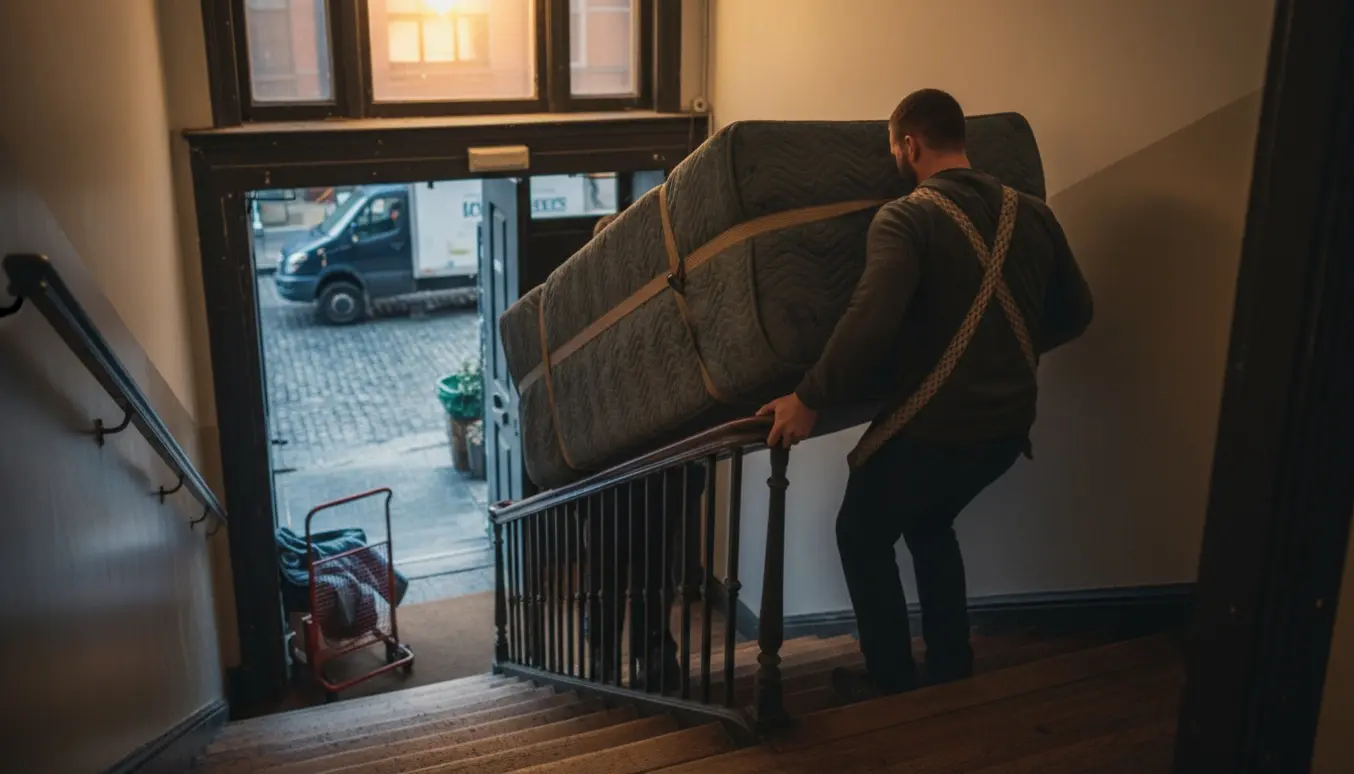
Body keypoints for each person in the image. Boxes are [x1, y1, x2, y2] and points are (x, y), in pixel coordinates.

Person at [757, 89, 1094, 699]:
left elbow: (870, 317)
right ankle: (949, 663)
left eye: (895, 149)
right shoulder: (1034, 213)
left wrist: (809, 397)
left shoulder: (907, 216)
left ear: (909, 146)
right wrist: (1006, 350)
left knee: (861, 533)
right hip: (1005, 428)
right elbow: (1077, 312)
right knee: (931, 521)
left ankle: (889, 678)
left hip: (939, 427)